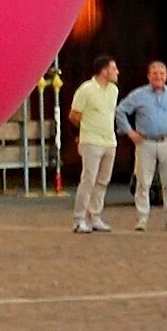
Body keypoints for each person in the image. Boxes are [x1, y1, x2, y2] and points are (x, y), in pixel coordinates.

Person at [113, 60, 167, 232]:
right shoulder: (138, 95)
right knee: (143, 183)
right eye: (154, 74)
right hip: (145, 143)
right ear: (149, 76)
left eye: (161, 74)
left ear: (166, 76)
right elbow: (120, 111)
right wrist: (129, 132)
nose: (158, 77)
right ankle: (142, 218)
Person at [68, 56, 120, 234]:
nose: (117, 72)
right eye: (113, 68)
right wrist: (84, 132)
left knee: (102, 181)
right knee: (88, 180)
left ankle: (95, 216)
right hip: (91, 141)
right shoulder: (86, 89)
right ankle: (79, 218)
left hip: (110, 141)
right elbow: (74, 115)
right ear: (104, 71)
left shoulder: (113, 90)